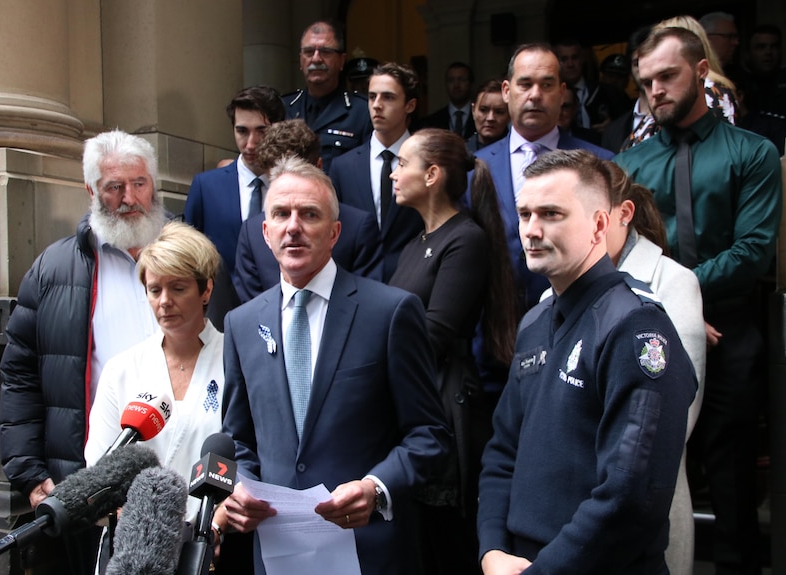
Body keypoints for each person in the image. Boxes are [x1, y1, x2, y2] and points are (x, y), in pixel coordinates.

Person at [218, 156, 451, 575]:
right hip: (278, 553)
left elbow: (430, 434)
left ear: (334, 232)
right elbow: (238, 441)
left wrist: (377, 488)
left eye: (310, 214)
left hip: (371, 553)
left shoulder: (390, 312)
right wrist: (239, 487)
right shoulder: (241, 323)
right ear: (265, 231)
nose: (294, 226)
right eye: (280, 214)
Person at [477, 149, 697, 575]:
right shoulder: (536, 322)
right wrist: (491, 552)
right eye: (524, 215)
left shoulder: (636, 328)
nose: (532, 230)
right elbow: (503, 452)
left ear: (600, 224)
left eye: (552, 214)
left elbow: (631, 497)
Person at [615, 26, 782, 575]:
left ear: (702, 72)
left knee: (731, 474)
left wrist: (685, 296)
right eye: (645, 83)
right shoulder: (631, 166)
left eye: (667, 76)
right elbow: (620, 256)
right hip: (652, 332)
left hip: (730, 330)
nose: (655, 91)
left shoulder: (751, 152)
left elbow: (753, 250)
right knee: (649, 467)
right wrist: (673, 310)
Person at [0, 129, 168, 575]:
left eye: (139, 183)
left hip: (176, 471)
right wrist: (32, 477)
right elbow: (19, 376)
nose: (130, 198)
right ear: (91, 190)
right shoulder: (53, 269)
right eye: (115, 187)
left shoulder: (192, 259)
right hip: (86, 481)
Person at [388, 128, 517, 575]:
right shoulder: (413, 244)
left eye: (402, 163)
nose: (393, 173)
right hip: (412, 399)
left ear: (433, 175)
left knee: (445, 548)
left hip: (445, 405)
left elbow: (434, 332)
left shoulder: (465, 239)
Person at [84, 221, 224, 570]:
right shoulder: (123, 369)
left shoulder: (234, 361)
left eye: (178, 288)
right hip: (134, 547)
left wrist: (217, 525)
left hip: (212, 543)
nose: (164, 302)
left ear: (206, 289)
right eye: (154, 289)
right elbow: (99, 467)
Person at [603, 165, 706, 575]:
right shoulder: (551, 289)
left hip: (645, 501)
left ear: (622, 213)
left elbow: (678, 415)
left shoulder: (673, 282)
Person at [475, 43, 613, 312]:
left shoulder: (600, 165)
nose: (535, 95)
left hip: (578, 318)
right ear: (506, 91)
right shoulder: (476, 167)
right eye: (525, 84)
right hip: (494, 332)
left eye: (547, 85)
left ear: (562, 93)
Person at [232, 119, 383, 302]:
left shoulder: (359, 227)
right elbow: (252, 310)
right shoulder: (251, 232)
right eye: (276, 177)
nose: (293, 227)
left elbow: (368, 301)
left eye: (310, 215)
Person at [329, 62, 424, 281]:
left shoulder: (427, 163)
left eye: (388, 97)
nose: (377, 105)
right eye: (372, 97)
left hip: (414, 282)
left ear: (409, 105)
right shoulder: (343, 167)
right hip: (356, 283)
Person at [184, 86, 285, 276]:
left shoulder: (293, 186)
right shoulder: (206, 187)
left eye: (261, 131)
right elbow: (188, 257)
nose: (251, 143)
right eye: (242, 131)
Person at [283, 20, 372, 173]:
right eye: (309, 52)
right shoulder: (284, 107)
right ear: (300, 60)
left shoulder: (363, 112)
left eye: (325, 52)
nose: (316, 59)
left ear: (341, 61)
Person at [553, 38, 631, 133]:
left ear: (582, 59)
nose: (570, 64)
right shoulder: (550, 94)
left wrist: (612, 128)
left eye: (575, 57)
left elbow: (625, 125)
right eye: (564, 59)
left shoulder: (606, 92)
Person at [418, 62, 476, 138]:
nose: (456, 85)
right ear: (446, 84)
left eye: (462, 80)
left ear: (471, 84)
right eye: (451, 80)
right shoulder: (431, 122)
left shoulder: (481, 118)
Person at [466, 79, 511, 152]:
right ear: (473, 110)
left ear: (509, 115)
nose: (490, 118)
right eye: (483, 110)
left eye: (499, 112)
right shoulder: (459, 152)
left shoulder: (516, 154)